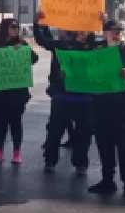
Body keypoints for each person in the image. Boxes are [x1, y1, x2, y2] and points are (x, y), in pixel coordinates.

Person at [34, 13, 98, 175]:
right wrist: (39, 23)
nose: (82, 33)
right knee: (55, 131)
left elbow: (108, 44)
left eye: (85, 31)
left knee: (83, 134)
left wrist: (100, 21)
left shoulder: (91, 47)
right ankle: (50, 161)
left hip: (84, 98)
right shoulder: (60, 45)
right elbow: (43, 39)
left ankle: (80, 163)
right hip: (62, 97)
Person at [88, 20, 125, 199]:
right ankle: (107, 181)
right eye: (113, 30)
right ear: (104, 32)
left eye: (119, 30)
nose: (117, 33)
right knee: (104, 146)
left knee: (124, 147)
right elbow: (85, 70)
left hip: (123, 108)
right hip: (101, 106)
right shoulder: (97, 50)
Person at [0, 18, 39, 163]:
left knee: (15, 122)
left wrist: (23, 50)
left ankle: (16, 152)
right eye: (13, 27)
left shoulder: (21, 43)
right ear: (5, 28)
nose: (15, 30)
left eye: (17, 27)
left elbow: (34, 58)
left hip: (17, 92)